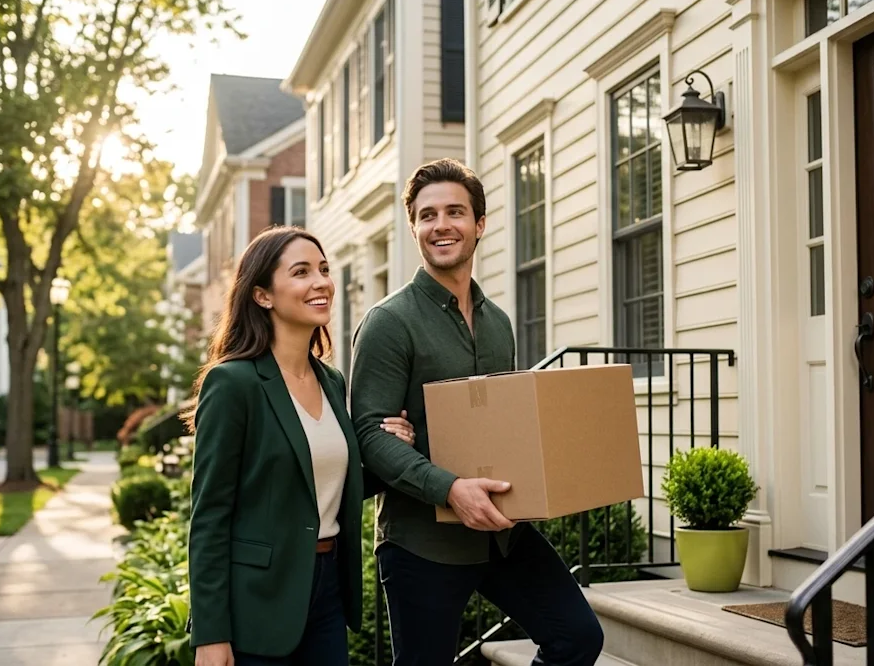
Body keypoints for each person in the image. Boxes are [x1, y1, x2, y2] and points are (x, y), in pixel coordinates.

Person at [349, 159, 605, 665]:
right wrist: (448, 488)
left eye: (454, 212)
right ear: (414, 229)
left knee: (577, 637)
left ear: (479, 224)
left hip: (501, 535)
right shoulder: (388, 323)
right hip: (423, 543)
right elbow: (368, 434)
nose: (440, 225)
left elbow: (499, 426)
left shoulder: (498, 323)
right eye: (426, 215)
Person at [186, 225, 417, 666]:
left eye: (324, 269)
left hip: (327, 591)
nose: (321, 282)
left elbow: (323, 484)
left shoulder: (332, 382)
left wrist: (390, 451)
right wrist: (211, 633)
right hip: (257, 601)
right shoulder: (233, 383)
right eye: (301, 272)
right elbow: (210, 515)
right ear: (262, 295)